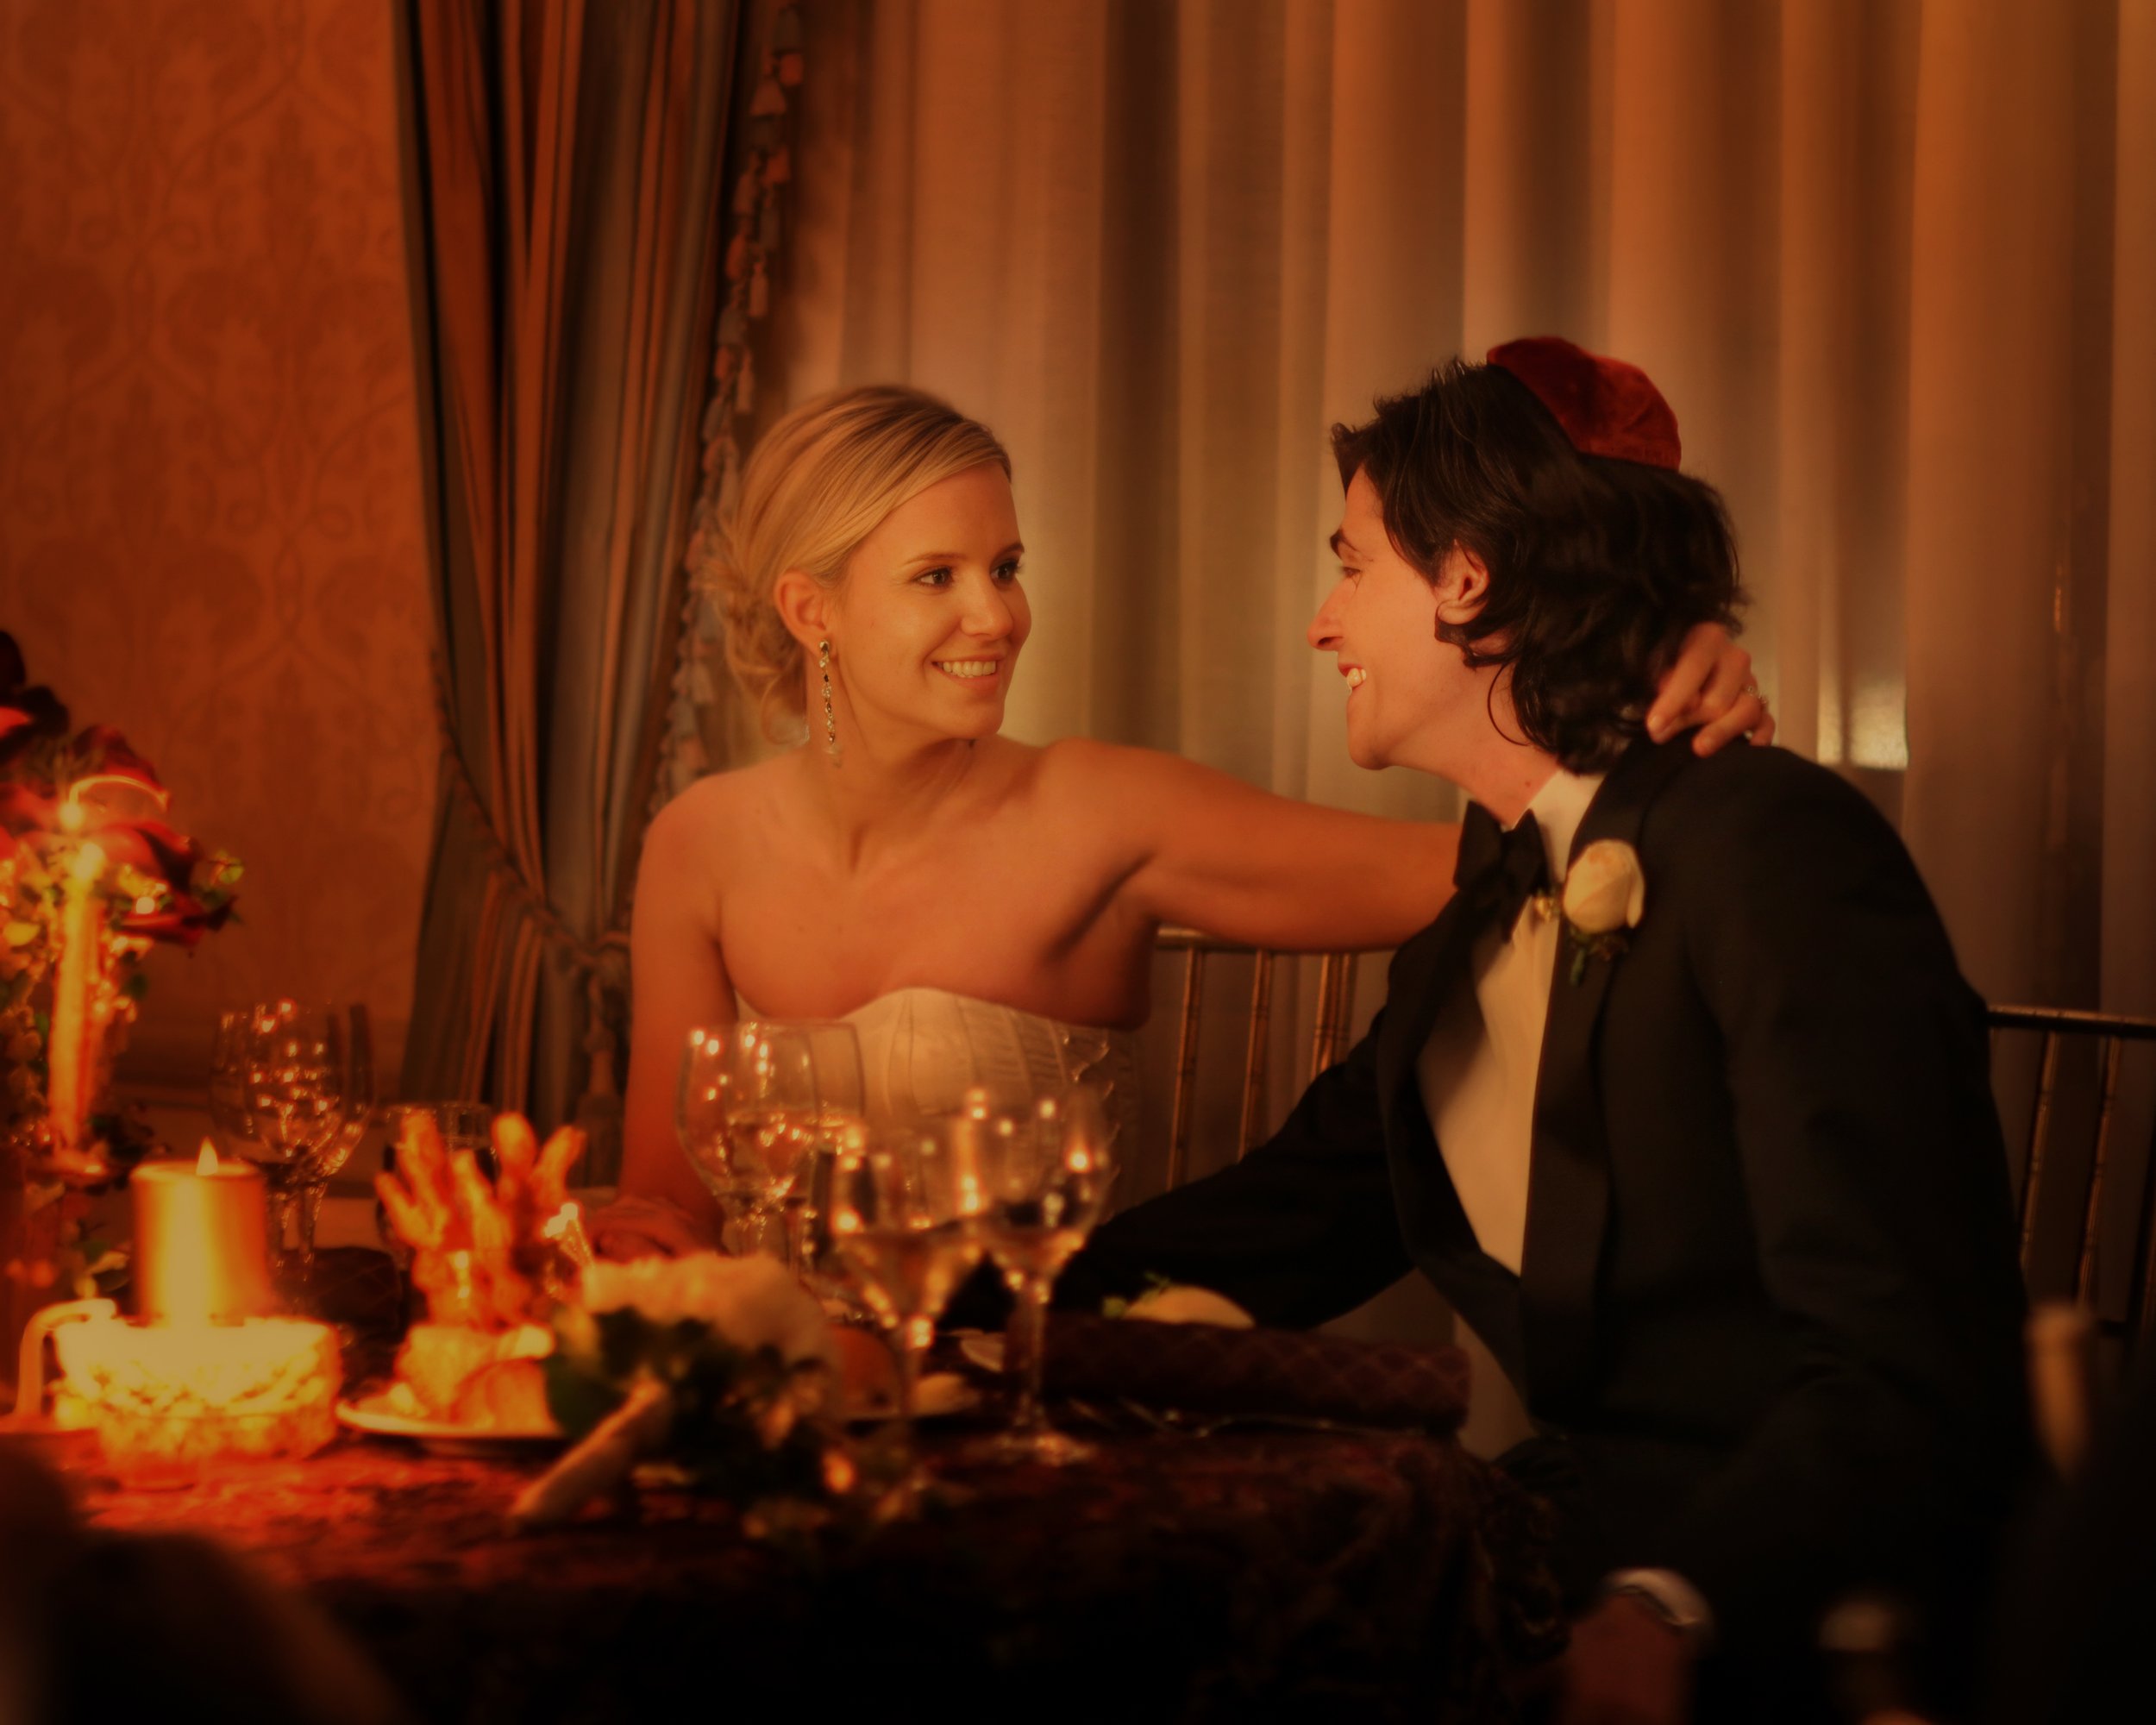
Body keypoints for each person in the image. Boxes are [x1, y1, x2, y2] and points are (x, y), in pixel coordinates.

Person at [1055, 341, 2031, 1722]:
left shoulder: (1769, 851)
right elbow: (1299, 1207)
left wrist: (1668, 1610)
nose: (1325, 624)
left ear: (1468, 580)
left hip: (1784, 1606)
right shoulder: (1489, 892)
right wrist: (958, 1319)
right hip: (1562, 1547)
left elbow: (1912, 1373)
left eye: (1350, 566)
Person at [608, 384, 1769, 1256]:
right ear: (812, 609)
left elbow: (1515, 860)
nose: (998, 616)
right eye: (936, 577)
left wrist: (1657, 670)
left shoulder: (1099, 811)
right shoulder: (698, 845)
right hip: (747, 1404)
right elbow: (668, 1209)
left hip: (1023, 1395)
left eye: (1005, 566)